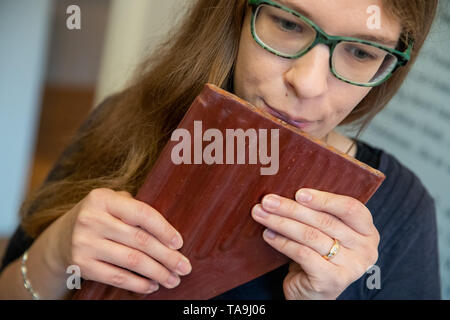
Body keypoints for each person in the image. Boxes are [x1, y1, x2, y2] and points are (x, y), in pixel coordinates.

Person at [0, 0, 441, 300]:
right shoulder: (126, 117)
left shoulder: (403, 211)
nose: (306, 84)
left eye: (361, 52)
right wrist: (55, 256)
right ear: (236, 14)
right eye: (288, 23)